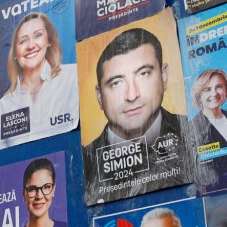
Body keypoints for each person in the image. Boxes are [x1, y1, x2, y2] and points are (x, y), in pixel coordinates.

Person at [82, 28, 191, 204]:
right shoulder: (83, 164)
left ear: (164, 77)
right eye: (116, 83)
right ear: (100, 97)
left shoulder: (197, 133)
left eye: (143, 74)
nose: (131, 95)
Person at [0, 13, 79, 148]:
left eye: (38, 35)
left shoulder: (73, 77)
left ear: (49, 41)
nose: (30, 45)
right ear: (15, 53)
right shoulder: (4, 106)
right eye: (22, 41)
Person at [188, 68, 227, 191]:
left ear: (226, 90)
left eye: (219, 87)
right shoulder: (193, 128)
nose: (214, 93)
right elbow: (201, 174)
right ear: (199, 95)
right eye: (207, 90)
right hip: (216, 193)